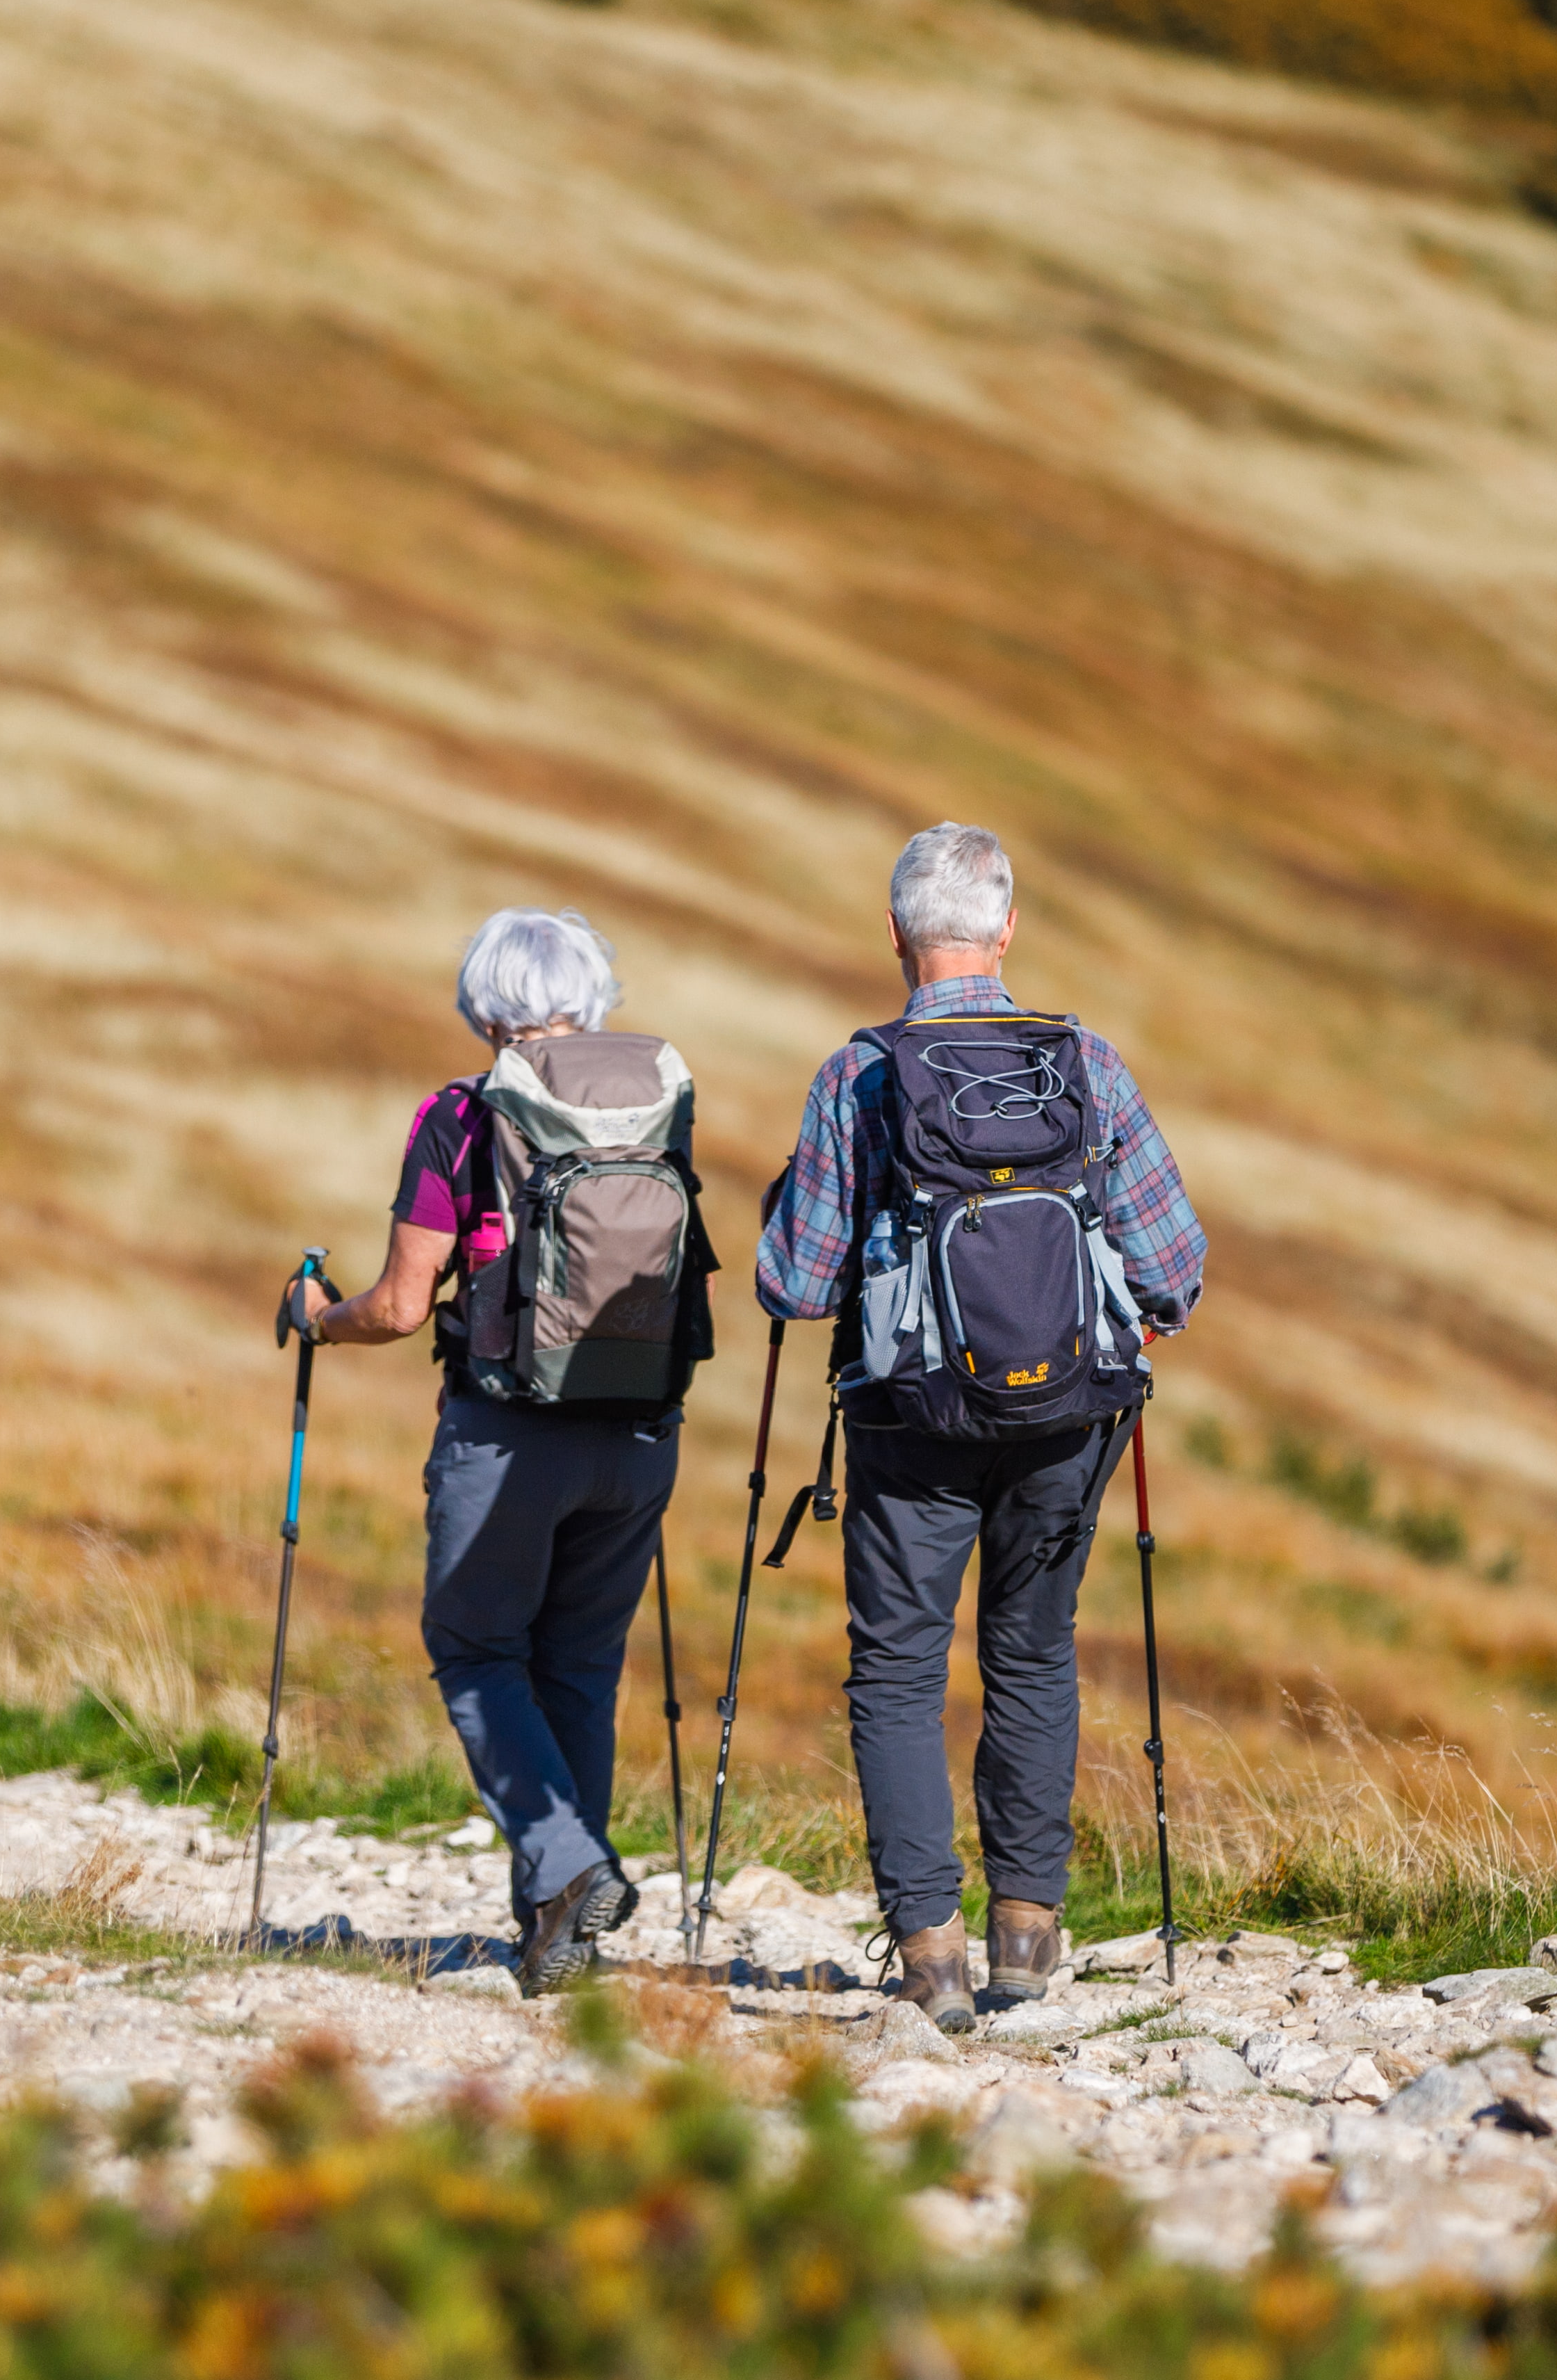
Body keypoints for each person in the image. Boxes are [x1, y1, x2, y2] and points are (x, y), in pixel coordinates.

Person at [756, 824, 1204, 2031]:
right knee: (1033, 1649)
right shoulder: (1085, 1063)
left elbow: (795, 1285)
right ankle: (1027, 1933)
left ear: (894, 934)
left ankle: (930, 1954)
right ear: (1009, 931)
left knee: (900, 1664)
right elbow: (1174, 1266)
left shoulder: (861, 1076)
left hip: (912, 1415)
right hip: (1069, 1413)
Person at [284, 909, 715, 1995]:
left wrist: (316, 1318)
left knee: (476, 1650)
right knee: (580, 1666)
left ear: (484, 1006)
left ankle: (570, 1869)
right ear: (595, 999)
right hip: (636, 1433)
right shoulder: (656, 1101)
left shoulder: (460, 1116)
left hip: (508, 1431)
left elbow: (396, 1305)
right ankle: (557, 1932)